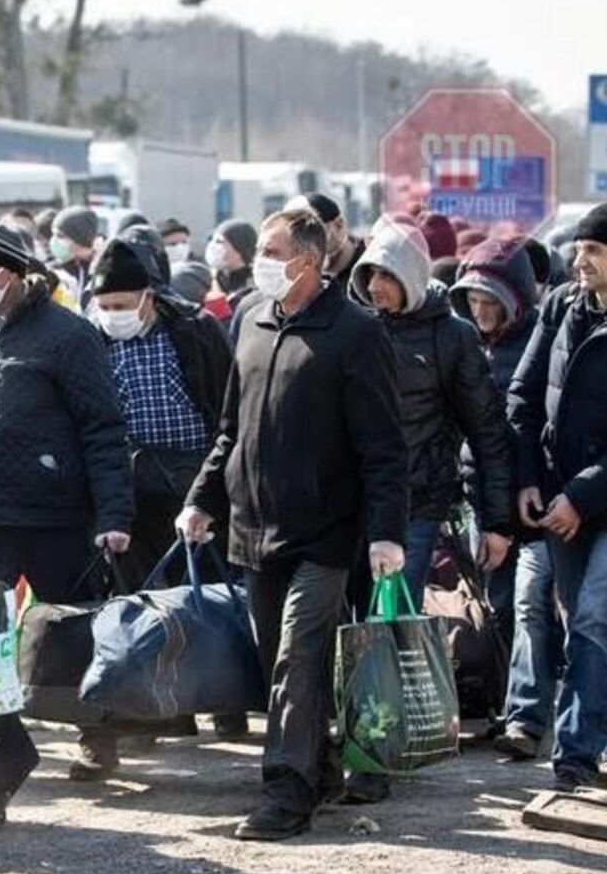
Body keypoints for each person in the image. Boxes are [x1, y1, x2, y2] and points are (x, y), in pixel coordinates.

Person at [179, 207, 406, 840]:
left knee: (298, 659)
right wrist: (202, 499)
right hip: (253, 528)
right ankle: (322, 761)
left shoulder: (355, 332)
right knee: (272, 656)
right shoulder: (251, 318)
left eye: (274, 252)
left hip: (325, 533)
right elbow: (232, 428)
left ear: (308, 262)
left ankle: (285, 794)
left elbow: (384, 445)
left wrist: (386, 530)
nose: (263, 262)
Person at [84, 237, 236, 762]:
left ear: (148, 297)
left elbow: (224, 403)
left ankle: (226, 698)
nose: (114, 316)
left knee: (211, 589)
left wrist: (216, 486)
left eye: (123, 307)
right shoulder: (94, 340)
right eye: (105, 307)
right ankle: (161, 708)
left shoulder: (194, 331)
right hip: (131, 475)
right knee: (146, 593)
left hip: (195, 471)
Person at [0, 221, 134, 613]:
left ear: (11, 271)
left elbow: (102, 427)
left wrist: (113, 515)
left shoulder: (68, 334)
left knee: (67, 637)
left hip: (56, 518)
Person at [349, 217, 513, 605]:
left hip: (418, 503)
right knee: (351, 624)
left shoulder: (452, 337)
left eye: (386, 276)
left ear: (409, 275)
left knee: (395, 621)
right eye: (369, 275)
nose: (374, 287)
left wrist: (498, 522)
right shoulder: (356, 328)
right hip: (354, 501)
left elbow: (487, 429)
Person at [507, 203, 607, 793]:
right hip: (561, 504)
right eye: (579, 251)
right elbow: (521, 397)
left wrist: (578, 494)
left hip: (589, 500)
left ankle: (574, 753)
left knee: (594, 613)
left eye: (592, 251)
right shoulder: (562, 307)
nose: (579, 260)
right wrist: (528, 481)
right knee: (581, 625)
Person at [454, 240, 564, 763]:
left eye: (490, 302)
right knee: (496, 607)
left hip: (536, 498)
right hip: (482, 499)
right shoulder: (467, 345)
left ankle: (527, 714)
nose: (481, 312)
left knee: (531, 605)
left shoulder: (542, 342)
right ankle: (506, 706)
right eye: (473, 302)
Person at [286, 193, 359, 299]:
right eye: (294, 235)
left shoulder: (372, 268)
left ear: (339, 225)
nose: (304, 241)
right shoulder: (298, 279)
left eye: (311, 229)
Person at [207, 218, 257, 330]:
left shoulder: (254, 287)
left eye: (219, 242)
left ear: (239, 247)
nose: (212, 246)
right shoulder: (207, 279)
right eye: (212, 240)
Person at [50, 206, 102, 295]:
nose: (54, 241)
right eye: (53, 235)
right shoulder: (54, 269)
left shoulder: (103, 271)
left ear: (80, 239)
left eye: (60, 236)